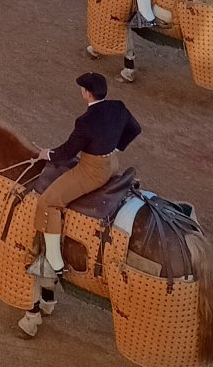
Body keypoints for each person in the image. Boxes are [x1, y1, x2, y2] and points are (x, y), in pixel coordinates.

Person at [35, 72, 143, 279]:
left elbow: (67, 152)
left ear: (87, 93)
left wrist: (46, 153)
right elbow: (134, 129)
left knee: (48, 202)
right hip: (112, 163)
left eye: (82, 89)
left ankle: (54, 263)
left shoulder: (85, 121)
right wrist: (114, 147)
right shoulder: (118, 106)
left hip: (94, 171)